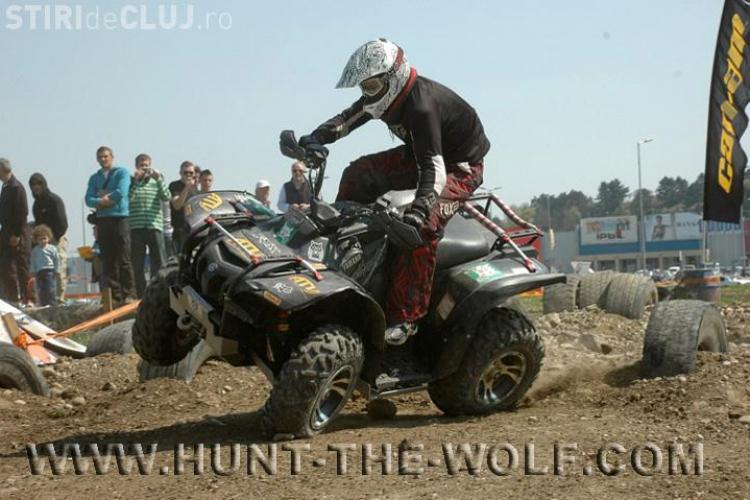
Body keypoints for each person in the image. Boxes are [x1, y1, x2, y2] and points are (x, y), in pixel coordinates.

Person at [298, 39, 489, 345]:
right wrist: (314, 138)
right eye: (364, 87)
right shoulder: (385, 95)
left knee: (422, 228)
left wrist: (419, 209)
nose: (366, 93)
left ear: (393, 77)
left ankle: (405, 318)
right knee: (358, 175)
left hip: (459, 167)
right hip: (422, 155)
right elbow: (347, 119)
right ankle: (343, 255)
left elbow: (435, 171)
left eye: (371, 85)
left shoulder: (421, 107)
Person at [85, 146, 136, 305]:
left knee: (124, 258)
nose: (103, 159)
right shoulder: (94, 178)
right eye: (100, 157)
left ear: (112, 157)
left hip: (120, 218)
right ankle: (115, 296)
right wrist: (103, 201)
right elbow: (88, 199)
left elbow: (122, 192)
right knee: (108, 259)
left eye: (106, 156)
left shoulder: (122, 172)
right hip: (103, 220)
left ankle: (129, 293)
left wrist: (104, 198)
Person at [128, 154, 171, 298]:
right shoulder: (131, 181)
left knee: (159, 262)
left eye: (146, 165)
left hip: (154, 225)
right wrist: (136, 181)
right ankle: (141, 295)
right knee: (137, 264)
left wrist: (158, 179)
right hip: (136, 227)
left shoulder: (156, 180)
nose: (144, 168)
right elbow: (128, 199)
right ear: (136, 166)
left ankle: (158, 292)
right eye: (142, 165)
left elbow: (167, 196)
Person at [28, 173, 68, 303]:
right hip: (42, 243)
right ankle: (46, 301)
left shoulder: (54, 200)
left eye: (39, 184)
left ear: (44, 184)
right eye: (33, 185)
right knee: (43, 272)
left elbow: (63, 223)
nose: (36, 187)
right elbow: (38, 225)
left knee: (59, 269)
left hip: (57, 239)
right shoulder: (36, 205)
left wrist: (53, 239)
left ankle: (60, 299)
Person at [0, 158, 32, 306]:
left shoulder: (16, 187)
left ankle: (28, 299)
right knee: (6, 266)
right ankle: (13, 299)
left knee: (22, 267)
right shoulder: (6, 187)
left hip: (18, 234)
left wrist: (17, 234)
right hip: (6, 232)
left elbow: (22, 212)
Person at [169, 161, 199, 252]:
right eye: (186, 172)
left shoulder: (195, 189)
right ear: (180, 173)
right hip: (180, 229)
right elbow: (177, 205)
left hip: (193, 228)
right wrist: (186, 188)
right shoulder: (174, 185)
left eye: (191, 173)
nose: (188, 175)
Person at [30, 224, 59, 307]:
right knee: (40, 289)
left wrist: (57, 270)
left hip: (49, 270)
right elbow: (33, 261)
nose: (43, 241)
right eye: (40, 239)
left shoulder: (52, 248)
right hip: (39, 272)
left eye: (44, 238)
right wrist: (32, 271)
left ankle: (52, 303)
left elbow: (56, 259)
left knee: (50, 288)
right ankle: (43, 303)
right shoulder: (35, 250)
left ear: (48, 238)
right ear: (36, 240)